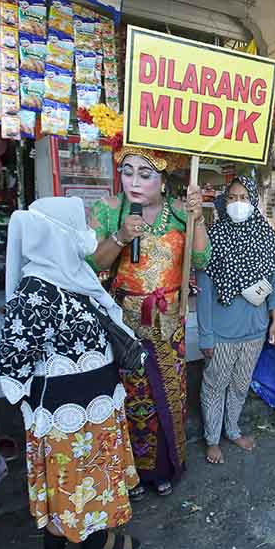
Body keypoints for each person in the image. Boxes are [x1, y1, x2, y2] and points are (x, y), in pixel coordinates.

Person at [0, 197, 141, 549]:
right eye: (84, 224)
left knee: (95, 477)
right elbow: (11, 362)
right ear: (57, 233)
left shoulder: (74, 274)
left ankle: (93, 538)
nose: (90, 232)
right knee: (69, 486)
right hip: (65, 418)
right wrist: (36, 414)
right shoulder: (35, 291)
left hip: (98, 407)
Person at [89, 146, 208, 499]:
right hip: (124, 323)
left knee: (169, 396)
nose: (134, 182)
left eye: (145, 174)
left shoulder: (179, 212)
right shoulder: (110, 210)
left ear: (163, 178)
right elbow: (94, 264)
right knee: (131, 399)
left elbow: (200, 258)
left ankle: (166, 468)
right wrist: (121, 237)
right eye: (128, 172)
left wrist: (198, 218)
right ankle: (131, 473)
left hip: (169, 321)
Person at [197, 176, 275, 464]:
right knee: (215, 384)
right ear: (224, 201)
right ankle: (211, 439)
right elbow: (205, 290)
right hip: (222, 331)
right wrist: (206, 335)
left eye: (243, 198)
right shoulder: (214, 236)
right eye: (232, 198)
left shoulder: (266, 235)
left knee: (240, 384)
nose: (238, 203)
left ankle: (232, 430)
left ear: (253, 201)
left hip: (255, 329)